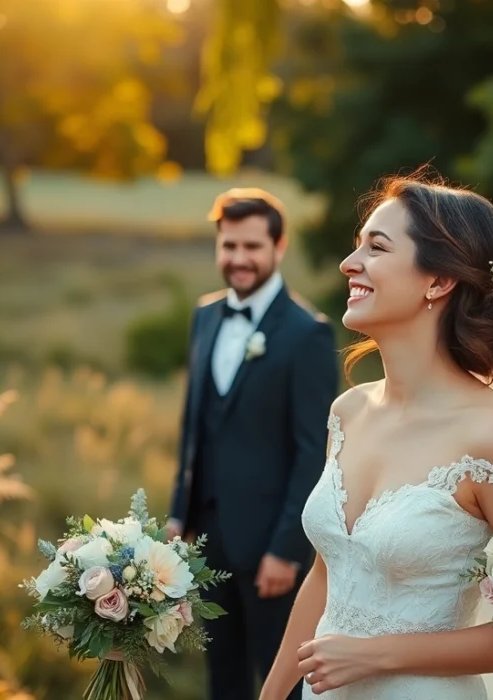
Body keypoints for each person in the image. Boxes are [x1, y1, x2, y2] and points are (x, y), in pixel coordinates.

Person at [258, 173, 493, 700]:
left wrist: (373, 654)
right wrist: (274, 693)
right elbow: (329, 573)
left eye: (376, 248)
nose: (350, 264)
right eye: (357, 247)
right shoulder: (347, 412)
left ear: (438, 282)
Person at [167, 188, 339, 700]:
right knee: (222, 672)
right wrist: (180, 515)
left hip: (269, 546)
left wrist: (286, 550)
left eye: (251, 247)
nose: (238, 259)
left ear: (278, 246)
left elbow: (314, 450)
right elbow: (192, 426)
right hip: (207, 536)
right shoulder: (205, 316)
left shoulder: (307, 333)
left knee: (280, 676)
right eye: (229, 246)